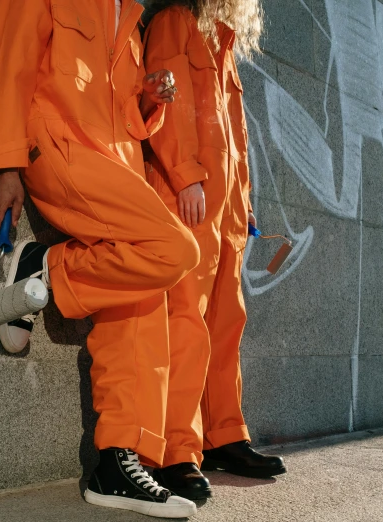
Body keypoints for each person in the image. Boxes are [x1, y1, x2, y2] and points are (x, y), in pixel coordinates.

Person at [0, 0, 202, 517]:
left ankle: (116, 461)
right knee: (173, 250)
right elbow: (8, 63)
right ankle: (50, 267)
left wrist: (145, 100)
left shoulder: (131, 19)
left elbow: (125, 119)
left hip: (115, 163)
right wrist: (5, 163)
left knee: (140, 300)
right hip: (57, 145)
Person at [141, 0, 286, 500]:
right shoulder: (173, 22)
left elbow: (237, 140)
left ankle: (224, 435)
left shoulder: (222, 42)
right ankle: (174, 449)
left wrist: (245, 206)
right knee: (185, 322)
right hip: (189, 198)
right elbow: (168, 104)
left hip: (226, 213)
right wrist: (185, 176)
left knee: (227, 323)